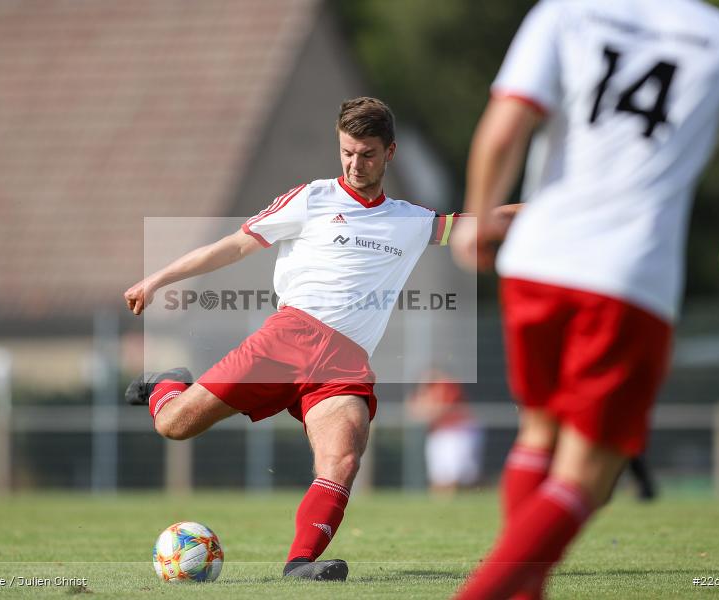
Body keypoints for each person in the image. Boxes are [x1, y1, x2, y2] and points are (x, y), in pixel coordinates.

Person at [451, 1, 719, 598]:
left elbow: (503, 128)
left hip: (536, 260)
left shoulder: (565, 12)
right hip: (627, 276)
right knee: (587, 476)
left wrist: (479, 216)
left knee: (538, 436)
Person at [124, 97, 464, 581]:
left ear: (390, 153)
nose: (354, 163)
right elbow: (236, 243)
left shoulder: (412, 220)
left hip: (344, 363)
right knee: (174, 426)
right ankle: (167, 385)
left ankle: (300, 564)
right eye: (347, 151)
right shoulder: (313, 198)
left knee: (342, 456)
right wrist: (157, 279)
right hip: (290, 339)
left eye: (366, 153)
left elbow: (485, 224)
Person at [406, 368, 483, 493]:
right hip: (440, 432)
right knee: (440, 477)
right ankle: (443, 503)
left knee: (461, 476)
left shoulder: (445, 385)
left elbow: (442, 410)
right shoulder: (425, 390)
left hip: (458, 432)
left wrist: (425, 412)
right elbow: (413, 412)